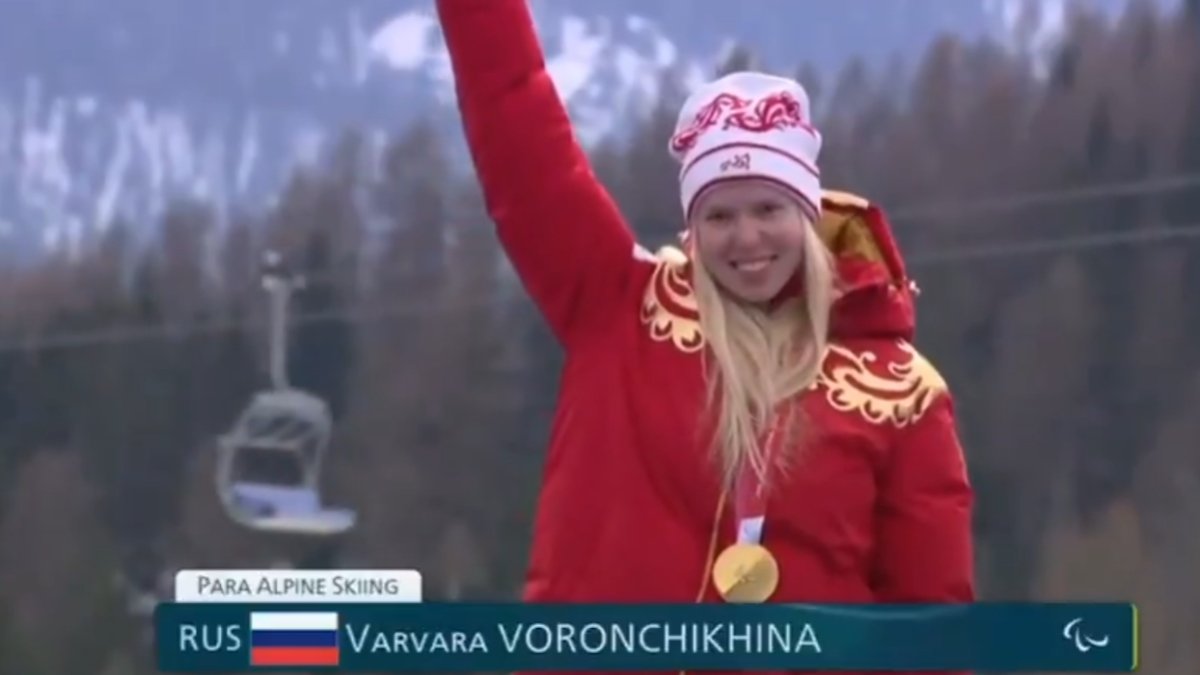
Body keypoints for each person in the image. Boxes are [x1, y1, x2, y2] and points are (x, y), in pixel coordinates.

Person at [436, 0, 973, 669]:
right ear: (692, 227)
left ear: (809, 214)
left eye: (768, 208)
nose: (747, 238)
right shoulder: (619, 308)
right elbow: (513, 116)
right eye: (719, 215)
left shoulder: (902, 395)